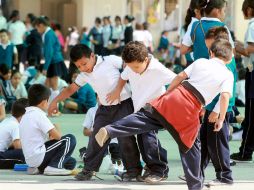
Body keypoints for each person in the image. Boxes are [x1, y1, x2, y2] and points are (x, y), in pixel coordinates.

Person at [95, 39, 234, 190]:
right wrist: (220, 118)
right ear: (230, 58)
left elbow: (180, 76)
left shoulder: (201, 61)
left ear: (211, 53)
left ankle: (110, 130)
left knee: (144, 118)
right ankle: (195, 186)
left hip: (176, 94)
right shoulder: (228, 74)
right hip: (191, 106)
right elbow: (225, 96)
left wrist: (167, 94)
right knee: (190, 146)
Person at [47, 44, 137, 181]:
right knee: (96, 138)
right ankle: (89, 169)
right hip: (104, 109)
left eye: (84, 63)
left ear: (92, 56)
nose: (83, 68)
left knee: (126, 139)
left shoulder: (110, 60)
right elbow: (71, 89)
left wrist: (119, 89)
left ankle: (133, 171)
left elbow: (129, 67)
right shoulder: (84, 75)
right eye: (79, 66)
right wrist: (54, 101)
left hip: (123, 104)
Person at [106, 41, 176, 183]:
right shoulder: (131, 66)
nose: (134, 70)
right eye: (131, 67)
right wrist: (117, 90)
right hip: (139, 109)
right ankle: (150, 168)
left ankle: (160, 170)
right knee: (142, 139)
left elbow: (179, 79)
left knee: (149, 139)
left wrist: (168, 97)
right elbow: (123, 77)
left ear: (145, 60)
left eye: (137, 67)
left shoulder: (158, 69)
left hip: (155, 109)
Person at [200, 26, 235, 186]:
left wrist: (216, 112)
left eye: (210, 48)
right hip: (211, 107)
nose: (210, 52)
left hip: (220, 108)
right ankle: (196, 173)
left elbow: (224, 94)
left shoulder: (228, 64)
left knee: (217, 145)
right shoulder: (219, 60)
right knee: (206, 142)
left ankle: (224, 176)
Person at [19, 84, 76, 175]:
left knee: (71, 162)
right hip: (38, 156)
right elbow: (57, 137)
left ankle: (40, 168)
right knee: (69, 139)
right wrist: (56, 127)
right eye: (48, 100)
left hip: (31, 159)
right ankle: (54, 167)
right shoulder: (38, 114)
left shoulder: (25, 115)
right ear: (43, 102)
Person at [231, 0, 254, 162]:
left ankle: (245, 151)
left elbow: (250, 50)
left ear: (249, 9)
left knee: (251, 115)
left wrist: (234, 47)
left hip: (253, 72)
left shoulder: (253, 25)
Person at [33, 17, 68, 91]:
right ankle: (46, 101)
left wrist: (45, 68)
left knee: (53, 85)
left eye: (37, 28)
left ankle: (55, 102)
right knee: (47, 84)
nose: (38, 31)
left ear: (41, 25)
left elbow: (49, 52)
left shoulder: (48, 35)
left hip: (54, 61)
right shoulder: (49, 33)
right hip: (52, 60)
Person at [0, 98, 28, 169]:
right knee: (22, 153)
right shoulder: (16, 125)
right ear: (25, 115)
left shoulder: (7, 120)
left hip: (2, 152)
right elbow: (18, 147)